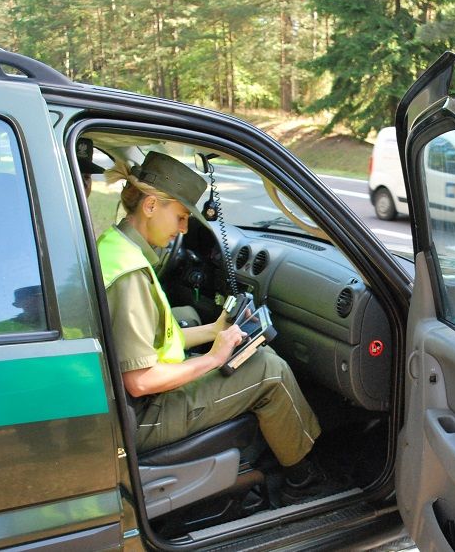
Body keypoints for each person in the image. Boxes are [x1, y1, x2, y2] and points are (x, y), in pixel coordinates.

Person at [96, 151, 329, 505]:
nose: (184, 228)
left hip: (120, 405)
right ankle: (303, 481)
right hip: (143, 416)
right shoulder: (131, 276)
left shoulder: (114, 247)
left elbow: (153, 340)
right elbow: (140, 380)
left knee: (245, 352)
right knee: (269, 369)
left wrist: (212, 331)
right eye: (180, 216)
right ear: (150, 206)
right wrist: (213, 358)